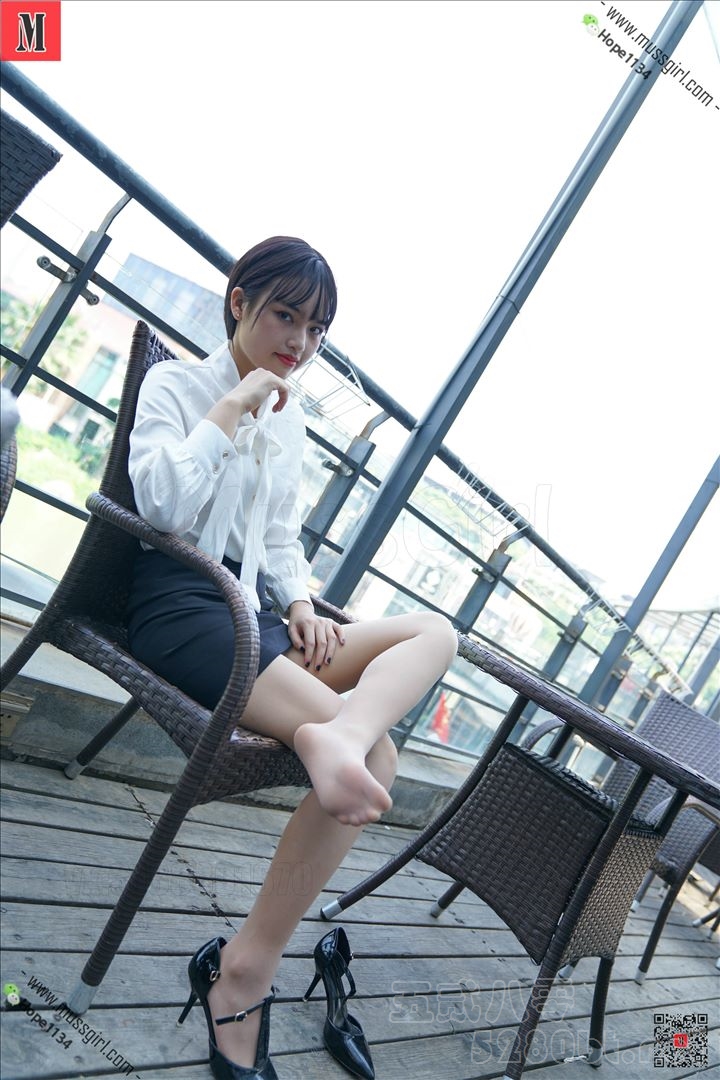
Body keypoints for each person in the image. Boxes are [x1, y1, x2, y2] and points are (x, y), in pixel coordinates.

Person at [127, 236, 458, 1079]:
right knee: (380, 756)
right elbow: (160, 505)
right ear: (239, 301)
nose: (300, 343)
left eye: (316, 329)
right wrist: (233, 405)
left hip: (257, 619)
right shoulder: (178, 386)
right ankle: (244, 970)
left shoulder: (293, 419)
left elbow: (279, 539)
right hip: (180, 608)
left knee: (436, 631)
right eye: (285, 315)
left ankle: (336, 735)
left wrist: (303, 605)